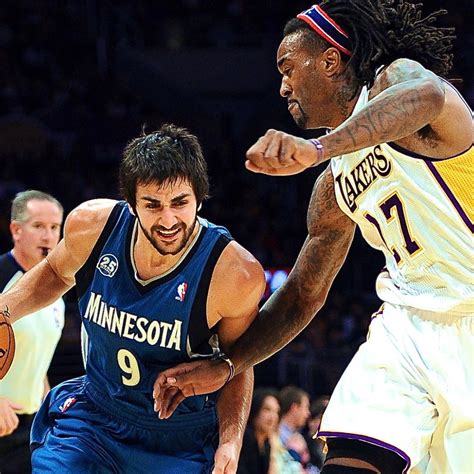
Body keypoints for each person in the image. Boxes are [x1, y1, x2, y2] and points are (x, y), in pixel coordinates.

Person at [154, 2, 473, 473]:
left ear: (330, 60)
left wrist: (317, 148)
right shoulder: (333, 182)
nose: (282, 87)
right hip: (406, 326)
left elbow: (428, 96)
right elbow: (304, 292)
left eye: (288, 68)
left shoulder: (396, 80)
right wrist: (229, 363)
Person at [0, 124, 266, 473]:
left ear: (200, 199)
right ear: (131, 203)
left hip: (178, 439)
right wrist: (4, 309)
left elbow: (239, 362)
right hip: (95, 419)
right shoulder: (92, 227)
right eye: (152, 205)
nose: (168, 220)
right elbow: (55, 273)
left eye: (180, 203)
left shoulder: (234, 273)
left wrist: (231, 440)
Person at [0, 190, 65, 474]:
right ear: (16, 230)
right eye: (38, 226)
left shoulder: (56, 291)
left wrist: (47, 404)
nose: (48, 236)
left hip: (29, 428)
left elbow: (37, 357)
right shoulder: (3, 277)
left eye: (54, 227)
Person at [278, 386, 313, 472]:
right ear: (295, 408)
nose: (308, 413)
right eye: (306, 407)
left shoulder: (297, 435)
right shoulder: (277, 434)